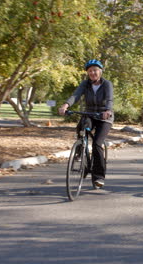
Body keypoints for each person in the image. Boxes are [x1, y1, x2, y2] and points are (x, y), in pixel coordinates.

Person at [58, 59, 114, 188]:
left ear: (100, 71)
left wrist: (108, 110)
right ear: (88, 73)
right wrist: (65, 105)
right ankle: (80, 153)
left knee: (97, 144)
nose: (93, 73)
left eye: (95, 70)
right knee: (81, 127)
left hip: (104, 117)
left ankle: (98, 177)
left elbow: (110, 99)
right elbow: (76, 95)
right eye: (90, 71)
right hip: (90, 114)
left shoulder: (107, 84)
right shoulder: (85, 84)